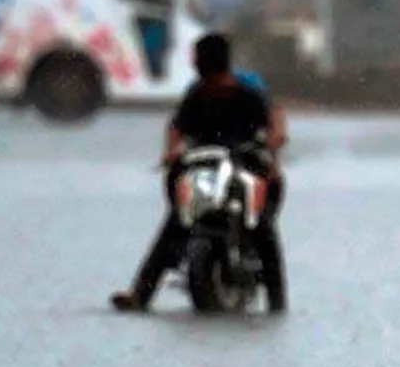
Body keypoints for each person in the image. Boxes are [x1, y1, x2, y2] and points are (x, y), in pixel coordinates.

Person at [110, 33, 287, 313]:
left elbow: (273, 121)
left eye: (196, 57)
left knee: (263, 228)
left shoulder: (247, 94)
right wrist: (171, 152)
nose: (193, 62)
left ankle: (278, 301)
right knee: (176, 222)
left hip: (243, 164)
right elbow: (177, 126)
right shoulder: (197, 95)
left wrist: (274, 144)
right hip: (204, 166)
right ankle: (140, 295)